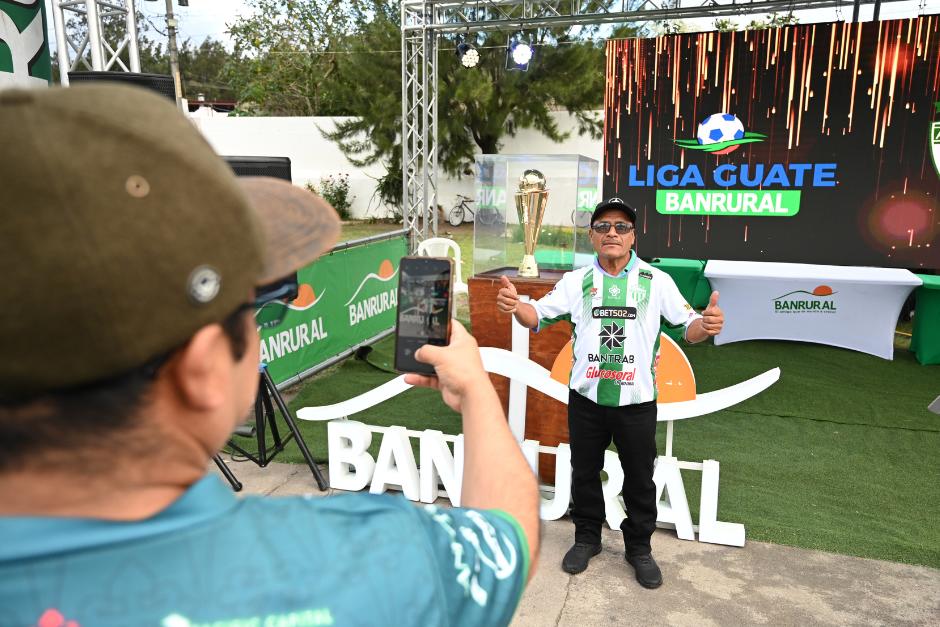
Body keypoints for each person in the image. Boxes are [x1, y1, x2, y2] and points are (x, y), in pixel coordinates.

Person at [0, 85, 539, 626]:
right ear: (202, 368)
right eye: (259, 308)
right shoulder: (376, 563)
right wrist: (474, 392)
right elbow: (509, 536)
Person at [496, 197, 723, 589]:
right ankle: (587, 538)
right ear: (592, 236)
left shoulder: (655, 281)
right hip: (586, 400)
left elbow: (689, 327)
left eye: (621, 226)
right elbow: (537, 316)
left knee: (639, 478)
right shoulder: (576, 281)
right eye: (603, 227)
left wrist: (708, 324)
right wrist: (516, 306)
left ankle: (639, 548)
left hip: (636, 402)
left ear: (633, 236)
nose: (612, 233)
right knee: (584, 472)